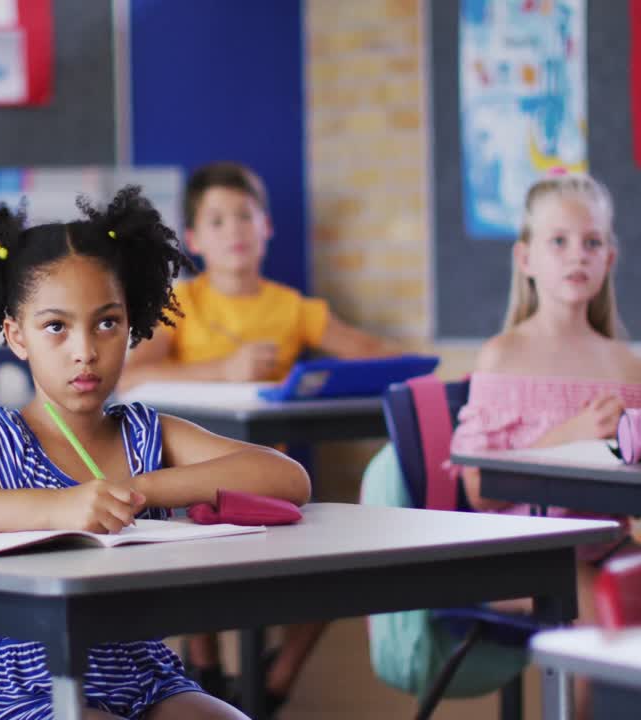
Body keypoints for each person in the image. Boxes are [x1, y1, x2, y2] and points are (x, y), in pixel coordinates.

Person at [0, 187, 310, 720]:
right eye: (55, 328)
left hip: (148, 676)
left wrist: (143, 488)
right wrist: (60, 508)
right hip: (30, 688)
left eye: (107, 323)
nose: (85, 350)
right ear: (17, 336)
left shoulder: (145, 432)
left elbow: (286, 478)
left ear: (132, 324)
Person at [122, 162, 398, 712]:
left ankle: (271, 686)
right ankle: (203, 668)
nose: (235, 230)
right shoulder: (181, 303)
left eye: (245, 216)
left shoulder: (291, 308)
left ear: (267, 227)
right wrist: (222, 371)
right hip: (191, 493)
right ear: (194, 239)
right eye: (217, 220)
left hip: (270, 491)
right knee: (185, 545)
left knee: (344, 566)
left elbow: (374, 354)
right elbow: (130, 377)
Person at [449, 172, 641, 718]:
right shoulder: (502, 355)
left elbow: (634, 497)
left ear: (609, 258)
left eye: (592, 242)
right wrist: (568, 437)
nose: (577, 254)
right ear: (525, 258)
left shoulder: (622, 363)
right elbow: (481, 490)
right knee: (601, 625)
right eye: (558, 241)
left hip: (604, 545)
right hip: (520, 554)